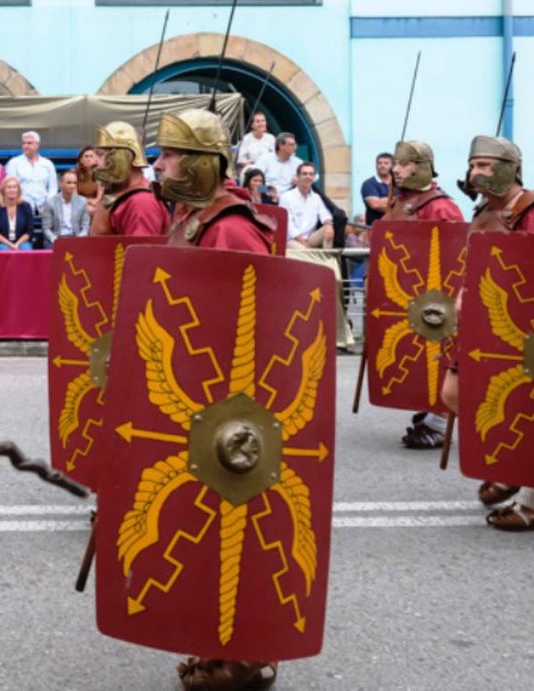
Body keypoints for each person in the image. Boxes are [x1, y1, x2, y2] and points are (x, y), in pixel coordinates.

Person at [154, 107, 278, 691]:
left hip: (226, 408)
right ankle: (213, 640)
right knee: (201, 531)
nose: (160, 163)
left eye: (172, 154)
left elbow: (260, 325)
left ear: (204, 163)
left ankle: (247, 654)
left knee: (236, 529)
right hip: (193, 399)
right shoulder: (189, 219)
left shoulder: (230, 228)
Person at [442, 135, 534, 532]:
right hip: (484, 327)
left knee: (526, 408)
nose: (475, 172)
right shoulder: (485, 212)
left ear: (510, 167)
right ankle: (506, 464)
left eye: (484, 165)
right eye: (473, 165)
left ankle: (533, 503)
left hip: (525, 331)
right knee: (453, 393)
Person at [377, 140, 466, 452]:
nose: (395, 169)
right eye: (395, 163)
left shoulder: (441, 207)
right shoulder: (399, 202)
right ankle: (430, 406)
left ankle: (440, 421)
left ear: (420, 166)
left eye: (402, 164)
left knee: (440, 355)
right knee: (412, 356)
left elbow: (455, 258)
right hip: (406, 297)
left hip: (436, 302)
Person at [280, 162, 356, 350]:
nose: (307, 177)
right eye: (304, 173)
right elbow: (287, 223)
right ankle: (323, 262)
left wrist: (328, 224)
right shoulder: (286, 197)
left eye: (311, 174)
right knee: (302, 248)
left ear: (314, 177)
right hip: (292, 240)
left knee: (329, 228)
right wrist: (299, 238)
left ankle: (328, 258)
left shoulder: (315, 198)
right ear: (297, 177)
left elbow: (325, 215)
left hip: (310, 241)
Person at [88, 121, 168, 237]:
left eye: (100, 154)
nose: (94, 162)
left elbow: (140, 253)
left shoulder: (141, 202)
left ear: (120, 157)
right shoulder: (119, 194)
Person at [5, 131, 59, 215]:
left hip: (45, 206)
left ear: (37, 145)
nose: (26, 146)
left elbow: (53, 188)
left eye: (29, 143)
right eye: (24, 143)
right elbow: (9, 186)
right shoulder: (14, 163)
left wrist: (48, 204)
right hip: (21, 207)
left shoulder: (48, 164)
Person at [42, 170, 91, 245]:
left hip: (76, 238)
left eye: (75, 183)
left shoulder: (82, 202)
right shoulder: (50, 202)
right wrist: (54, 239)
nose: (72, 186)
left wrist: (79, 239)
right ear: (60, 184)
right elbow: (46, 228)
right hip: (57, 238)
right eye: (69, 183)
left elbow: (85, 227)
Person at [0, 177, 35, 250]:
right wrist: (10, 245)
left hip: (21, 242)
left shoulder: (26, 206)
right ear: (3, 190)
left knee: (26, 249)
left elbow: (29, 231)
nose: (12, 190)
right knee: (5, 250)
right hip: (1, 243)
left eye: (14, 187)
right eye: (9, 187)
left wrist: (17, 244)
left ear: (18, 190)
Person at [361, 152, 394, 225]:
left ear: (392, 166)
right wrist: (397, 203)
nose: (382, 165)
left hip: (396, 228)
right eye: (380, 163)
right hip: (376, 228)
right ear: (376, 166)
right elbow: (375, 204)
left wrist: (383, 200)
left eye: (386, 163)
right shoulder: (369, 184)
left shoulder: (398, 184)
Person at [74, 147, 104, 214]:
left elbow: (99, 197)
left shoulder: (100, 174)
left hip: (95, 205)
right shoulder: (75, 174)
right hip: (78, 204)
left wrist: (94, 202)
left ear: (96, 159)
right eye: (86, 156)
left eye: (91, 156)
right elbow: (75, 197)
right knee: (89, 210)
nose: (89, 159)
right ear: (81, 160)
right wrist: (89, 201)